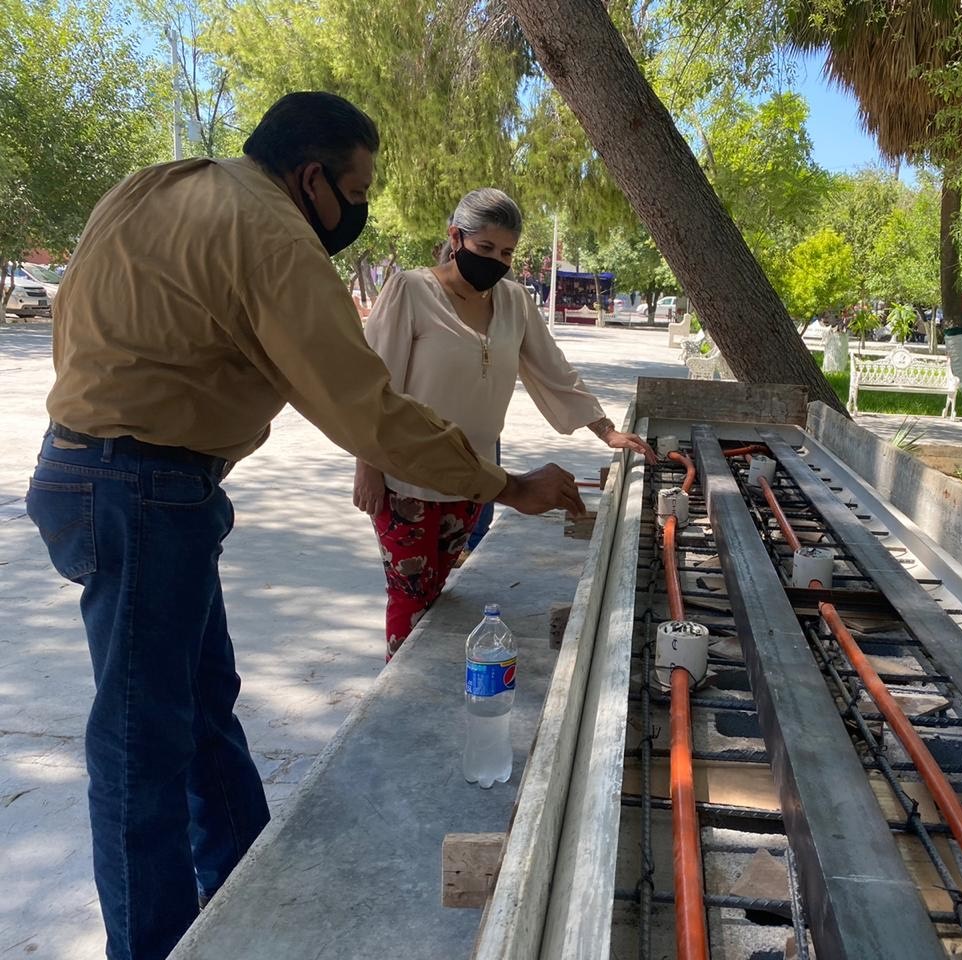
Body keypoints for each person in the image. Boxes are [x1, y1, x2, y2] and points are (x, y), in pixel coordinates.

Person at [25, 93, 583, 960]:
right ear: (312, 176)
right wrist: (504, 485)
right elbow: (365, 407)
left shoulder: (157, 185)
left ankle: (249, 904)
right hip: (142, 488)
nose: (357, 209)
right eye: (355, 188)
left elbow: (83, 327)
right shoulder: (274, 233)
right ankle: (156, 944)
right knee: (142, 748)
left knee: (203, 716)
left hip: (102, 471)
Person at [352, 188, 656, 659]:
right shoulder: (411, 291)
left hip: (474, 477)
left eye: (507, 252)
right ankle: (396, 696)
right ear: (456, 237)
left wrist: (605, 429)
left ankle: (435, 681)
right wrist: (367, 465)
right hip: (404, 478)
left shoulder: (514, 302)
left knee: (441, 591)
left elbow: (553, 370)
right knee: (410, 598)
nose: (497, 261)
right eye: (486, 249)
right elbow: (374, 384)